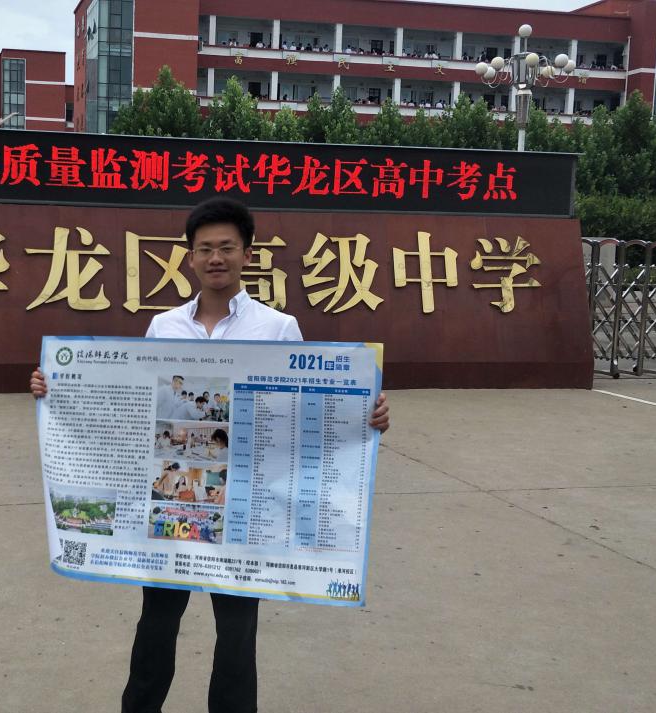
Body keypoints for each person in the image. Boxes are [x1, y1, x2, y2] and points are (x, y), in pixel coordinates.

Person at [30, 197, 389, 713]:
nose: (215, 258)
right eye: (204, 249)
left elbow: (308, 407)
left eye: (226, 247)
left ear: (247, 254)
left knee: (237, 633)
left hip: (242, 506)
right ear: (190, 257)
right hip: (170, 503)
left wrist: (365, 416)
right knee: (156, 623)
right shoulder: (164, 326)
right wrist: (59, 389)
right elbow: (135, 398)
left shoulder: (277, 327)